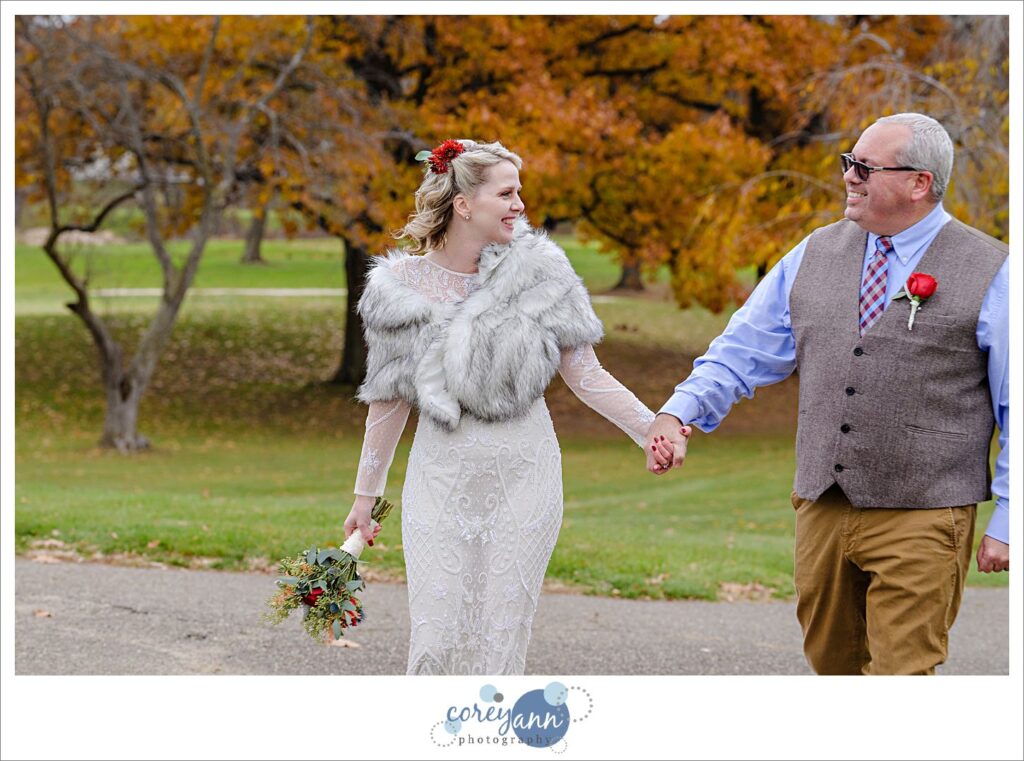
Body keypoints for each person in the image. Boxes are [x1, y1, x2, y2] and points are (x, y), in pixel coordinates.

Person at [647, 113, 1009, 675]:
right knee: (832, 667)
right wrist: (679, 410)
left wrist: (1010, 518)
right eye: (849, 163)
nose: (849, 177)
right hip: (823, 503)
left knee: (902, 676)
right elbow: (743, 348)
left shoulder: (993, 270)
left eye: (865, 167)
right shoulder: (813, 253)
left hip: (925, 510)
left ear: (919, 183)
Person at [344, 138, 678, 675]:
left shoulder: (540, 271)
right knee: (434, 644)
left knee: (499, 649)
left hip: (524, 478)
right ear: (464, 204)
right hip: (440, 482)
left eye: (519, 192)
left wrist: (653, 428)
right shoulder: (397, 289)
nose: (520, 205)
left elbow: (586, 376)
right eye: (507, 193)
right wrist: (367, 495)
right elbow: (387, 400)